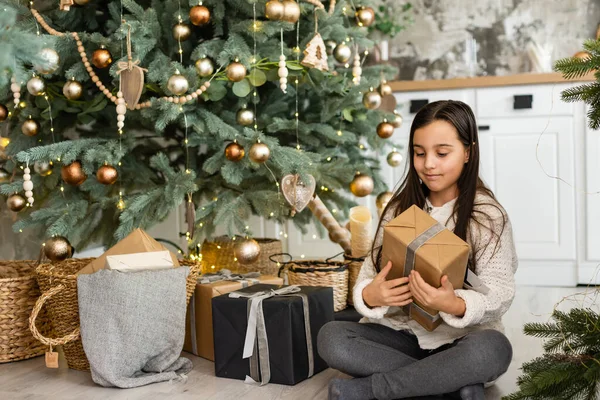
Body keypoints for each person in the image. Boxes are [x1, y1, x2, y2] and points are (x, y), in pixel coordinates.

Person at [317, 100, 518, 400]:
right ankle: (448, 384)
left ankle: (375, 390)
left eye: (442, 153)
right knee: (331, 338)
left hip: (462, 340)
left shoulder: (487, 215)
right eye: (419, 153)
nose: (429, 164)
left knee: (494, 349)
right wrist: (371, 296)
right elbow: (369, 276)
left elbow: (501, 292)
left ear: (468, 151)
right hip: (400, 337)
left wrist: (454, 304)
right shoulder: (398, 209)